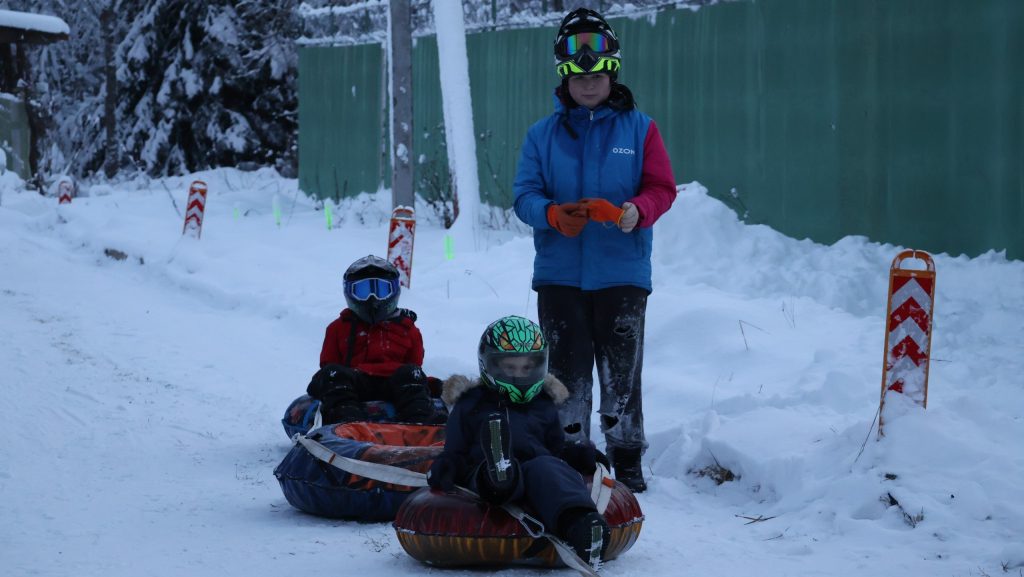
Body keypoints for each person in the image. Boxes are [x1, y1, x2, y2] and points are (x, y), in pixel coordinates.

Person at [512, 8, 678, 493]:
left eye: (598, 76)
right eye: (580, 77)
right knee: (566, 374)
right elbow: (524, 195)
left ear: (613, 75)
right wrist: (551, 215)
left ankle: (626, 458)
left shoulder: (641, 129)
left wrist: (633, 212)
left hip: (622, 273)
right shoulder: (541, 135)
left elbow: (662, 189)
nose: (589, 84)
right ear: (565, 78)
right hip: (559, 275)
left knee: (621, 372)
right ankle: (571, 456)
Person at [427, 316, 611, 568]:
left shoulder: (543, 404)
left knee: (549, 467)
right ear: (489, 365)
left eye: (527, 368)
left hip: (535, 465)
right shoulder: (471, 403)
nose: (518, 375)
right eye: (509, 368)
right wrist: (447, 466)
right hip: (482, 468)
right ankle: (501, 472)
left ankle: (582, 524)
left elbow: (556, 449)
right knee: (490, 473)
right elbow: (456, 450)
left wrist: (579, 455)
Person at [306, 255, 436, 424]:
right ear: (350, 293)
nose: (372, 298)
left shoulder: (407, 329)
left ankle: (420, 426)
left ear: (394, 291)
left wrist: (424, 383)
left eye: (381, 290)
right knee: (333, 374)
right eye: (363, 291)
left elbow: (414, 366)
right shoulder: (338, 328)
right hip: (354, 385)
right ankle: (348, 424)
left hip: (395, 385)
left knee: (411, 373)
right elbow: (329, 365)